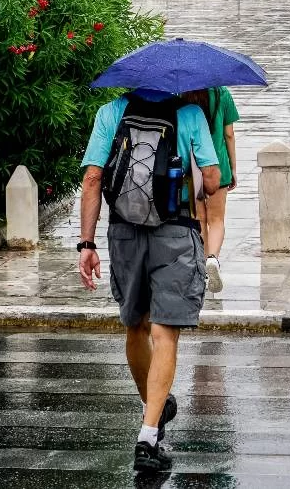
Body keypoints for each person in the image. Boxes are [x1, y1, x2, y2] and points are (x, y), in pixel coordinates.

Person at [77, 87, 220, 473]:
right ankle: (149, 434)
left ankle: (152, 405)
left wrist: (86, 244)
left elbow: (92, 179)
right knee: (164, 332)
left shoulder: (111, 112)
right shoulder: (190, 115)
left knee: (136, 326)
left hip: (123, 232)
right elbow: (212, 180)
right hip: (176, 232)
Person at [183, 87, 239, 294]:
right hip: (218, 166)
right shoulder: (222, 94)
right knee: (216, 220)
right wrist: (233, 168)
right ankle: (213, 259)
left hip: (193, 166)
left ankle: (202, 266)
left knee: (199, 218)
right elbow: (229, 134)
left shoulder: (182, 95)